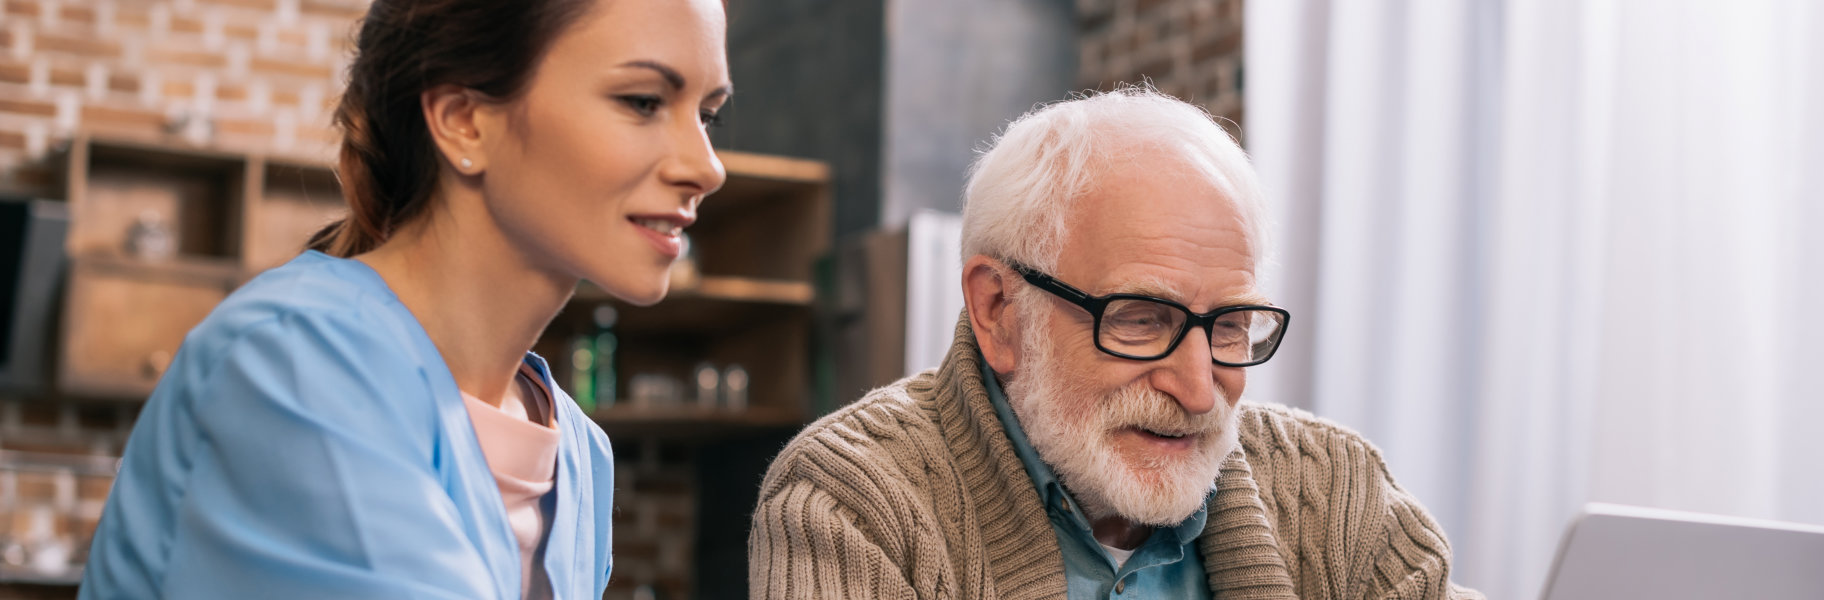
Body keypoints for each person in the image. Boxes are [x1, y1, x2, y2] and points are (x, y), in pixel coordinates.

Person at [80, 0, 730, 597]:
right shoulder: (295, 364)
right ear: (464, 121)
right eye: (643, 101)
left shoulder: (580, 452)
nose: (707, 166)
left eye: (707, 115)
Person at [748, 87, 1483, 599]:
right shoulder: (850, 503)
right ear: (1000, 310)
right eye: (1141, 319)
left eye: (1227, 325)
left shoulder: (1337, 489)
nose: (1198, 390)